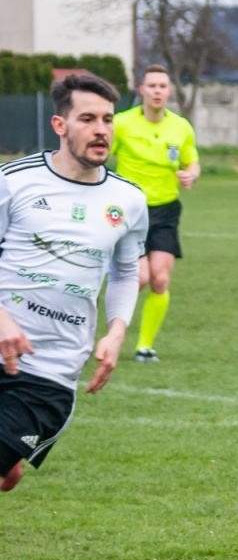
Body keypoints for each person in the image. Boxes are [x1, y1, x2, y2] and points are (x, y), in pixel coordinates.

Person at [0, 75, 148, 492]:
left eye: (108, 119)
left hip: (50, 370)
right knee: (7, 476)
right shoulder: (13, 181)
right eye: (87, 118)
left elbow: (125, 271)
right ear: (60, 126)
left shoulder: (130, 201)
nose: (101, 129)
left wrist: (116, 333)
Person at [110, 64, 199, 362]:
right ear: (142, 90)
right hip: (130, 210)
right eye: (152, 86)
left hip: (165, 210)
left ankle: (144, 346)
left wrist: (190, 175)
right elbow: (99, 154)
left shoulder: (181, 127)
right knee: (140, 278)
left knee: (160, 279)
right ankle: (113, 335)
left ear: (169, 91)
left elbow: (192, 162)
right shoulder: (121, 124)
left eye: (162, 86)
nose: (157, 91)